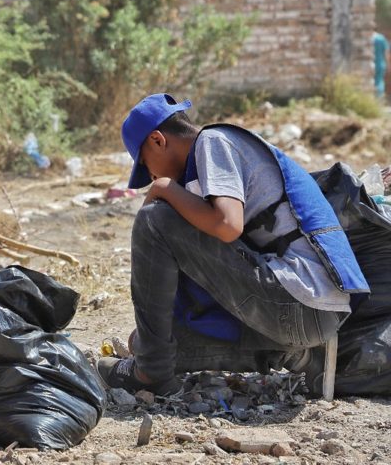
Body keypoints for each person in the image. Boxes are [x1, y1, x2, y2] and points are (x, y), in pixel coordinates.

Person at [97, 93, 369, 397]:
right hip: (311, 318)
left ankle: (149, 373)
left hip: (299, 297)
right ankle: (296, 355)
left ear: (158, 140)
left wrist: (164, 188)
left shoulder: (214, 142)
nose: (151, 176)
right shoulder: (203, 170)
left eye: (147, 166)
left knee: (154, 219)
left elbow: (227, 226)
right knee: (150, 341)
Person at [374, 31, 390, 99]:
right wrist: (388, 65)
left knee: (371, 82)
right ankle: (379, 99)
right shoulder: (381, 38)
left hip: (370, 64)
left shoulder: (370, 38)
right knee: (379, 81)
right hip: (380, 63)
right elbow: (386, 53)